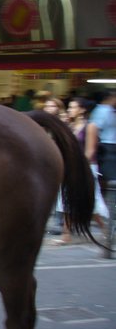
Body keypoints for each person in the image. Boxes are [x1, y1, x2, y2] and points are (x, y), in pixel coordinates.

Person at [55, 97, 109, 244]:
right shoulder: (70, 126)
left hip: (86, 167)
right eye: (70, 107)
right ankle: (66, 235)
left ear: (82, 110)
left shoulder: (90, 126)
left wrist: (79, 167)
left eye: (73, 107)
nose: (70, 110)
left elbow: (90, 151)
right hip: (70, 166)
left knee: (91, 201)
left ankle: (105, 229)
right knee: (66, 198)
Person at [91, 90, 116, 184]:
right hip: (106, 144)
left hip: (110, 144)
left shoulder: (110, 110)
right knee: (108, 174)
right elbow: (96, 129)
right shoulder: (102, 110)